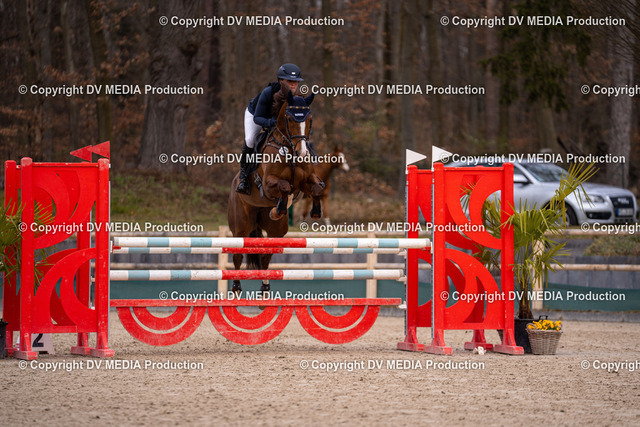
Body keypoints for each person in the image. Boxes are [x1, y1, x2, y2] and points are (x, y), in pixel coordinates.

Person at [236, 63, 303, 195]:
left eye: (296, 82)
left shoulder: (297, 98)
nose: (293, 85)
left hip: (275, 120)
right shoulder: (268, 92)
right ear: (281, 81)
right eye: (290, 81)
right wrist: (272, 122)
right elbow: (258, 118)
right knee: (250, 140)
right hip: (256, 114)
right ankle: (243, 177)